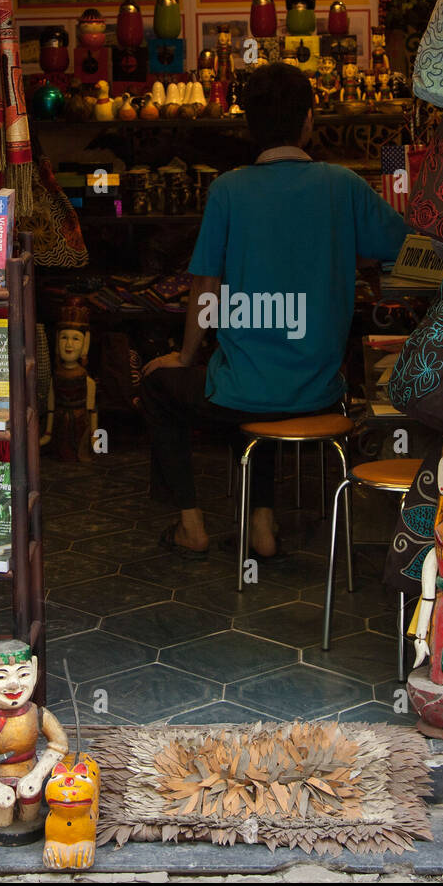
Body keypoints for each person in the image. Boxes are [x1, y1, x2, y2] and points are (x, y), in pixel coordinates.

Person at [140, 61, 409, 559]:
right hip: (319, 394)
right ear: (309, 121)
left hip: (244, 393)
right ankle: (261, 528)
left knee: (165, 386)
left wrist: (184, 356)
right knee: (254, 381)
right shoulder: (343, 185)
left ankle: (191, 526)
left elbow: (205, 287)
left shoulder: (227, 189)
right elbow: (401, 244)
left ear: (248, 125)